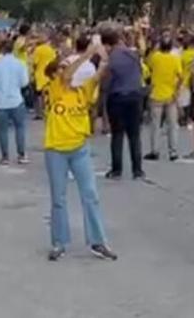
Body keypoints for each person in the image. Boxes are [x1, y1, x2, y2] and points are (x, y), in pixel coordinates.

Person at [44, 40, 118, 262]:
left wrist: (104, 57)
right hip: (56, 149)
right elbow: (67, 75)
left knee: (90, 195)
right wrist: (86, 55)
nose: (69, 71)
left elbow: (98, 76)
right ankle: (59, 242)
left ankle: (97, 241)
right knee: (59, 198)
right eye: (64, 66)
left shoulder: (82, 91)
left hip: (79, 148)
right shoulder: (56, 87)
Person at [100, 28, 145, 180]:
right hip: (135, 96)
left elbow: (106, 82)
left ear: (107, 45)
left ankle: (116, 169)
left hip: (117, 97)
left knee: (117, 134)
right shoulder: (133, 55)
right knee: (134, 135)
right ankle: (137, 170)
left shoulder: (111, 59)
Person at [0, 38, 30, 165]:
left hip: (1, 101)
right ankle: (21, 154)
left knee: (3, 130)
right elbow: (24, 83)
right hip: (17, 99)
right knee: (20, 128)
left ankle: (5, 156)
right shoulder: (20, 63)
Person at [145, 34, 183, 162]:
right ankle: (173, 151)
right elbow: (181, 77)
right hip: (170, 95)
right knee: (172, 125)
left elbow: (148, 67)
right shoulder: (175, 59)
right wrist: (176, 90)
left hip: (156, 94)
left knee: (155, 125)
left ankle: (154, 151)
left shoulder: (155, 57)